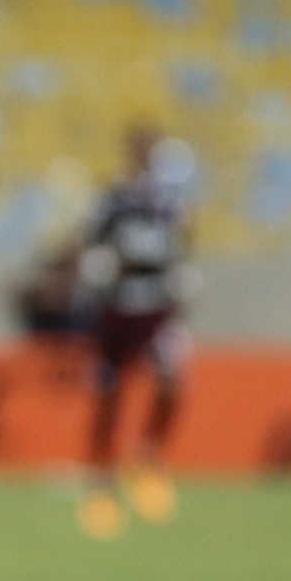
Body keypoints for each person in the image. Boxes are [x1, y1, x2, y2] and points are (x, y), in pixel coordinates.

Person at [75, 127, 191, 540]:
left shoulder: (170, 203)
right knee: (109, 393)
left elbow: (180, 244)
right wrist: (100, 270)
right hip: (116, 306)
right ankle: (100, 479)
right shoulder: (116, 199)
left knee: (172, 379)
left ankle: (148, 457)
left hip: (156, 305)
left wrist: (182, 288)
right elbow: (91, 244)